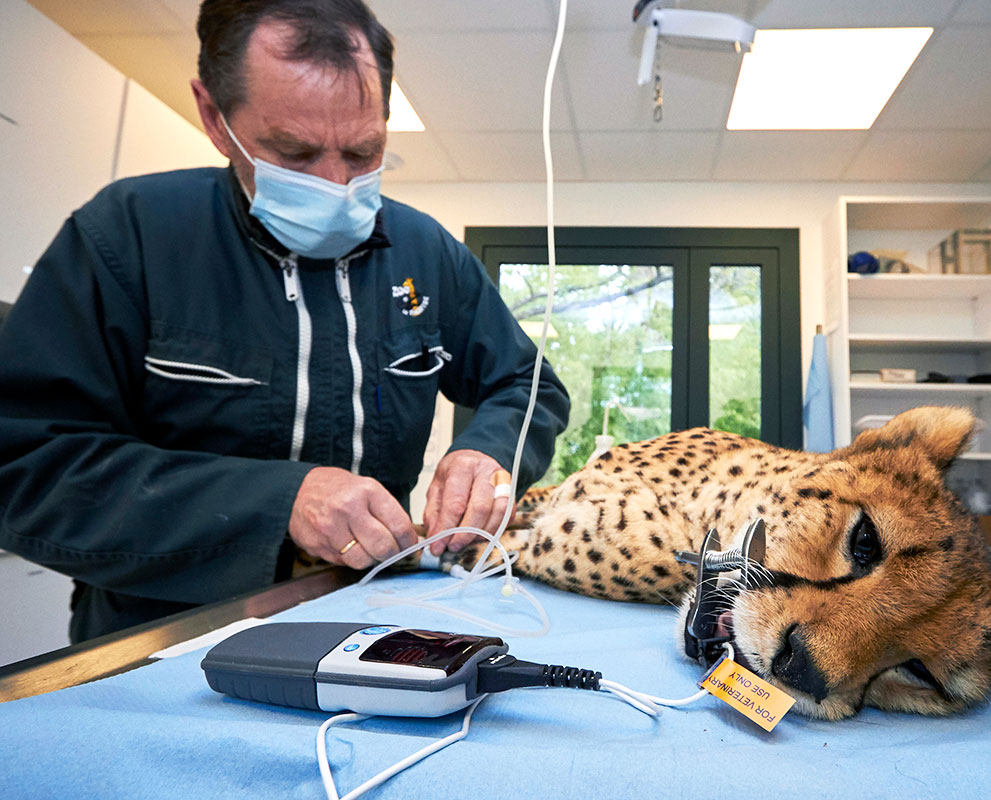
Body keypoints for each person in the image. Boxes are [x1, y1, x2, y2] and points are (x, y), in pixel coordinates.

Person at [0, 0, 569, 644]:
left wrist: (485, 453)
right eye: (294, 154)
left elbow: (526, 386)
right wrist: (279, 504)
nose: (336, 185)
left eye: (363, 152)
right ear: (215, 118)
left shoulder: (427, 253)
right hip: (164, 637)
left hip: (376, 624)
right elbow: (26, 464)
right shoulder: (127, 236)